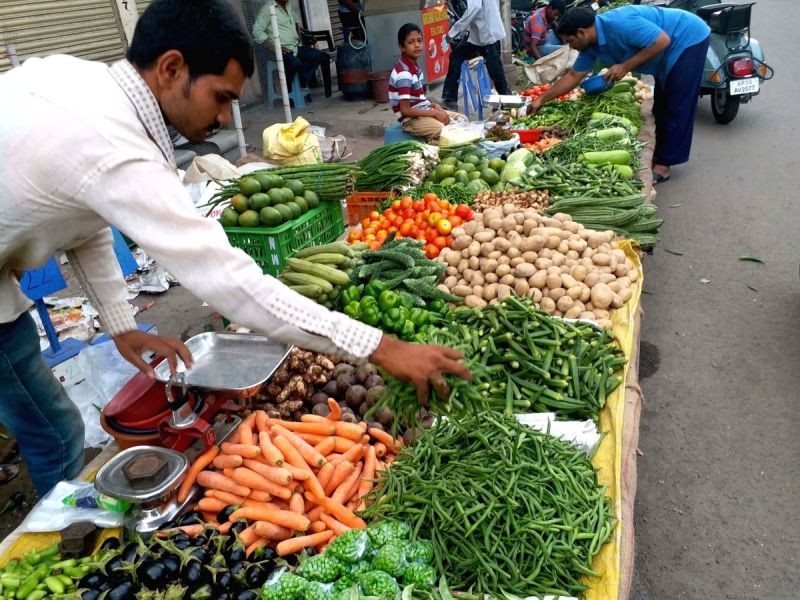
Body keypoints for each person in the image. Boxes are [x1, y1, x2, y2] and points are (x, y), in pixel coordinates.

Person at [0, 0, 471, 497]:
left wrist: (119, 323)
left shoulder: (93, 92)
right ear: (171, 68)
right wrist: (380, 346)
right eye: (221, 98)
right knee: (56, 433)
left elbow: (87, 215)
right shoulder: (114, 144)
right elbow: (230, 281)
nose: (226, 119)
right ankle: (64, 526)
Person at [528, 5, 710, 184]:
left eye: (571, 41)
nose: (572, 47)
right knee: (661, 105)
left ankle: (664, 166)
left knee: (676, 103)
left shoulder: (619, 23)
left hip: (687, 36)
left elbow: (662, 41)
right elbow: (574, 76)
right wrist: (541, 99)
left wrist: (625, 66)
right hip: (668, 49)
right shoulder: (590, 46)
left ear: (581, 33)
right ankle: (659, 155)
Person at [390, 24, 467, 143]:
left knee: (462, 120)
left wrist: (435, 106)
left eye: (419, 41)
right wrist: (434, 114)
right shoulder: (404, 74)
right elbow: (405, 111)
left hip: (424, 111)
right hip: (412, 120)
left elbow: (418, 99)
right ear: (402, 47)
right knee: (444, 131)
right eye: (411, 42)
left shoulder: (414, 67)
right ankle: (432, 146)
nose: (416, 45)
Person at [440, 0, 512, 111]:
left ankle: (507, 100)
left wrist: (453, 32)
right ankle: (450, 99)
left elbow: (474, 9)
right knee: (456, 57)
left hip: (487, 34)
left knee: (496, 72)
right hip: (477, 34)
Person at [252, 0, 324, 89]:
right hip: (280, 50)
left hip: (295, 47)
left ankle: (301, 81)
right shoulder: (268, 8)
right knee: (294, 63)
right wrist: (274, 47)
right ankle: (287, 87)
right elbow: (257, 31)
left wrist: (300, 40)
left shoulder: (288, 5)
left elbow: (296, 24)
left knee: (317, 55)